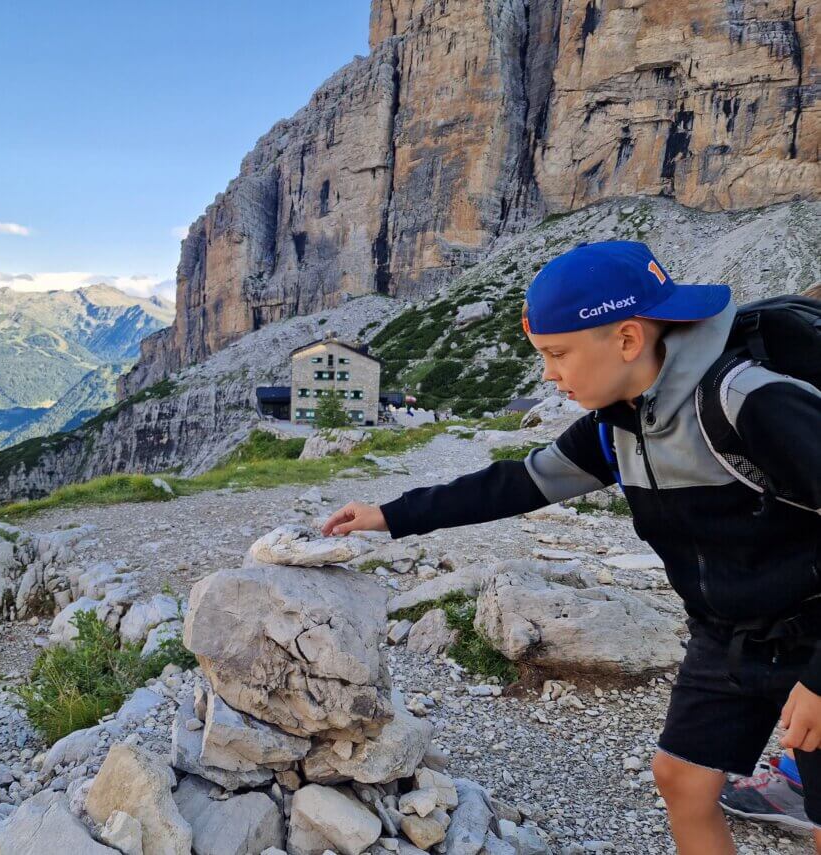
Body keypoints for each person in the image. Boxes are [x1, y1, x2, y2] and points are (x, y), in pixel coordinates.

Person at [321, 242, 821, 854]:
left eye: (558, 354)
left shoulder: (748, 401)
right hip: (727, 631)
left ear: (628, 339)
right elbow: (521, 482)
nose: (549, 375)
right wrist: (389, 516)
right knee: (682, 779)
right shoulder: (620, 421)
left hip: (815, 630)